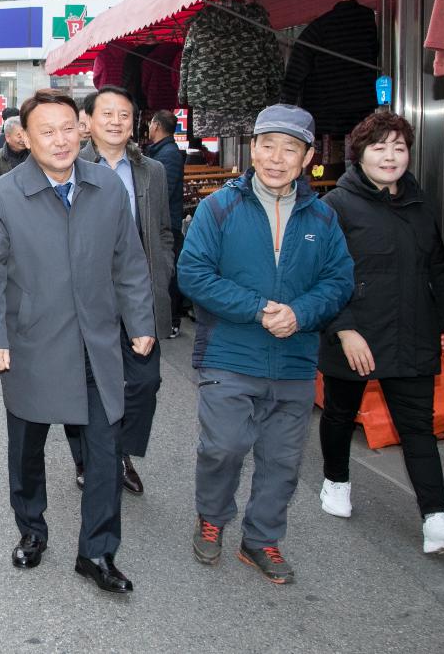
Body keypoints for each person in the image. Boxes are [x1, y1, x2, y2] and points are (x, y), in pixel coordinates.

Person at [0, 89, 154, 595]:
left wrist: (141, 323)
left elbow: (129, 263)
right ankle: (31, 528)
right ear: (25, 138)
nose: (60, 140)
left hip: (97, 344)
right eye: (46, 131)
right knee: (27, 449)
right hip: (30, 343)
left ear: (83, 129)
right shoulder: (5, 195)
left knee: (104, 451)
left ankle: (97, 551)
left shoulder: (107, 188)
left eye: (68, 128)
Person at [179, 104, 353, 585]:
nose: (277, 158)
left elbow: (339, 281)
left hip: (295, 358)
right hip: (229, 352)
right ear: (252, 149)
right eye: (268, 145)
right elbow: (193, 273)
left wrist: (299, 314)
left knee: (282, 460)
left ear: (307, 157)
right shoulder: (219, 207)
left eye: (290, 148)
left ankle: (260, 539)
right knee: (225, 446)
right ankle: (212, 516)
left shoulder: (323, 215)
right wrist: (258, 308)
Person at [315, 111, 444, 554]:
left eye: (399, 147)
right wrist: (344, 330)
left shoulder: (422, 202)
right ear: (360, 154)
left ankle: (436, 517)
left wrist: (443, 323)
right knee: (339, 413)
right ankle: (335, 480)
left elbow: (438, 268)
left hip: (412, 332)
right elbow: (321, 277)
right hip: (357, 336)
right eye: (379, 147)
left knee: (418, 429)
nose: (390, 156)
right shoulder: (336, 205)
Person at [64, 88, 173, 496]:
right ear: (87, 121)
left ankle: (118, 452)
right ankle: (87, 458)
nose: (115, 121)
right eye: (106, 113)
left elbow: (164, 228)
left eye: (124, 115)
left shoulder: (152, 171)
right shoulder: (69, 165)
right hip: (86, 297)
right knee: (83, 384)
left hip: (138, 293)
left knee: (145, 382)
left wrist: (162, 273)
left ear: (135, 122)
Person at [143, 110, 185, 338]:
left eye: (150, 124)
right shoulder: (162, 151)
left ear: (157, 125)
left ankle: (171, 320)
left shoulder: (168, 154)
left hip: (167, 223)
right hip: (164, 221)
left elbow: (163, 193)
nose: (148, 127)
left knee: (167, 274)